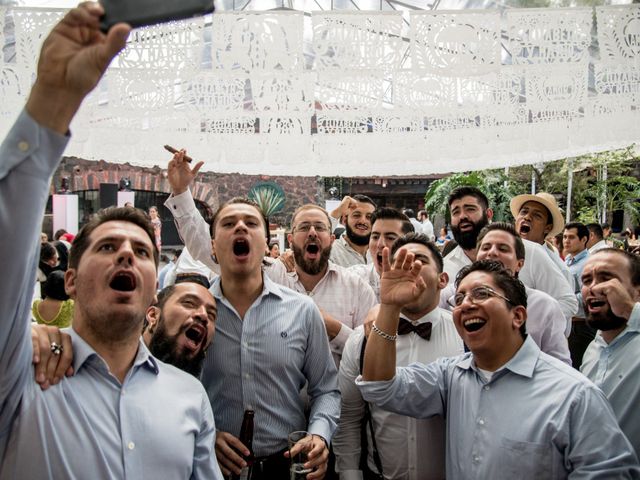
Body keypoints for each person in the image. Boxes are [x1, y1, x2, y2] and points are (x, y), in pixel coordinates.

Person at [0, 6, 222, 478]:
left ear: (151, 297)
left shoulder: (189, 399)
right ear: (73, 281)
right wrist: (50, 104)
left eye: (142, 252)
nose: (127, 253)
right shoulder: (22, 373)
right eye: (107, 247)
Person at [358, 256, 640, 478]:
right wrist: (390, 307)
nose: (466, 304)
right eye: (460, 298)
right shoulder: (450, 377)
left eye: (481, 294)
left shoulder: (575, 396)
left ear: (517, 316)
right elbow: (379, 387)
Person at [165, 150, 340, 479]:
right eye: (229, 224)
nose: (240, 228)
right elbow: (166, 388)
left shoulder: (301, 311)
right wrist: (203, 434)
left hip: (286, 467)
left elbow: (327, 389)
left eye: (251, 224)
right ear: (213, 246)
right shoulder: (190, 316)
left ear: (267, 242)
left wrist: (319, 434)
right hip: (210, 467)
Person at [334, 233, 463, 480]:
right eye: (401, 261)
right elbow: (349, 418)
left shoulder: (465, 337)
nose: (409, 267)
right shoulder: (362, 339)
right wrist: (350, 474)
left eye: (420, 261)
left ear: (442, 280)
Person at [444, 186, 578, 325]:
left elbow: (567, 302)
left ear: (489, 214)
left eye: (470, 209)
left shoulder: (531, 251)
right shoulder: (446, 266)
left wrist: (522, 329)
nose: (463, 216)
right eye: (456, 212)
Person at [474, 223, 571, 364]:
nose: (492, 253)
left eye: (503, 248)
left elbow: (560, 366)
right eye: (486, 247)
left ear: (519, 264)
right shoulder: (459, 301)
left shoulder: (544, 306)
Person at [580, 248, 640, 456]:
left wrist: (629, 309)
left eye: (607, 278)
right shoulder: (593, 349)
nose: (594, 287)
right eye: (586, 280)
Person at [510, 191, 576, 335]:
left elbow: (568, 306)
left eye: (537, 215)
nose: (527, 217)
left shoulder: (560, 268)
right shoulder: (508, 253)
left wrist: (527, 323)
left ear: (547, 227)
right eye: (524, 212)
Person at [349, 207, 414, 302]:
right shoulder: (354, 277)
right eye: (375, 237)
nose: (380, 244)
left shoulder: (420, 282)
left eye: (390, 238)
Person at [563, 221, 594, 368]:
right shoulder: (568, 260)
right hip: (571, 323)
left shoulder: (587, 264)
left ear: (584, 240)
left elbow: (588, 295)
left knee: (577, 367)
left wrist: (563, 300)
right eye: (564, 237)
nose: (566, 241)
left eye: (571, 237)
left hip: (581, 325)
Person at [329, 195, 377, 267]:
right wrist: (337, 212)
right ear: (345, 220)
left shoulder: (381, 251)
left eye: (369, 217)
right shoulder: (330, 252)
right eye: (356, 215)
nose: (363, 221)